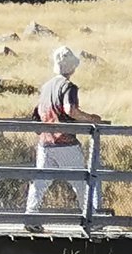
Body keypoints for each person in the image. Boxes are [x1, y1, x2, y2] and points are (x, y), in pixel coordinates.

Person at [29, 45, 107, 215]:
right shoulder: (68, 87)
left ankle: (31, 216)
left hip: (45, 142)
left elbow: (37, 112)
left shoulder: (46, 87)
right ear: (72, 67)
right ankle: (90, 216)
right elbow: (70, 109)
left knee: (40, 182)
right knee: (81, 181)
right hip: (65, 142)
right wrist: (92, 119)